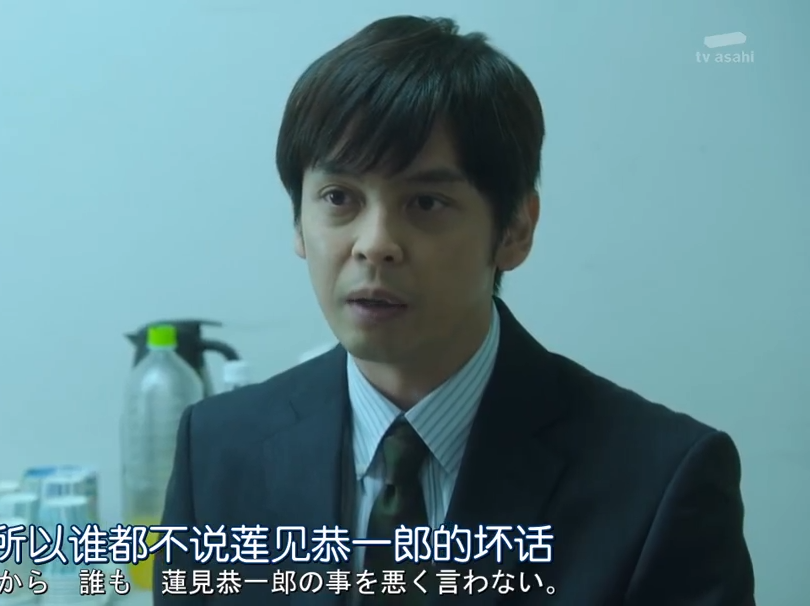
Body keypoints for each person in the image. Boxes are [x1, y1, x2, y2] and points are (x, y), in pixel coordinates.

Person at [153, 15, 755, 606]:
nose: (374, 244)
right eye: (339, 198)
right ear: (299, 224)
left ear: (515, 230)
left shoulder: (659, 480)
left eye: (426, 202)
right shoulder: (217, 448)